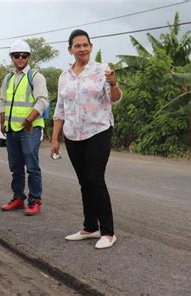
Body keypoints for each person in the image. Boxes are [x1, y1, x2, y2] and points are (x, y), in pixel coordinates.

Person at [50, 29, 122, 249]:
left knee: (95, 178)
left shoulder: (102, 71)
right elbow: (60, 110)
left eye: (85, 45)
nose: (82, 49)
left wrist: (114, 83)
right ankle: (90, 227)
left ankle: (108, 232)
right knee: (84, 181)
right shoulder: (65, 76)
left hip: (98, 131)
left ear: (91, 47)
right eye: (77, 46)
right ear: (70, 49)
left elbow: (116, 99)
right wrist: (55, 139)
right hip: (73, 134)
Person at [0, 39, 49, 216]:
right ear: (11, 57)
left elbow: (42, 101)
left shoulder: (35, 76)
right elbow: (3, 101)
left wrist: (29, 120)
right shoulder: (9, 77)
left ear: (29, 57)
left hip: (30, 128)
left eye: (24, 55)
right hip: (12, 128)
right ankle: (18, 198)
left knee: (32, 166)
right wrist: (2, 121)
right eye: (17, 55)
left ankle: (35, 200)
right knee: (16, 166)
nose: (20, 58)